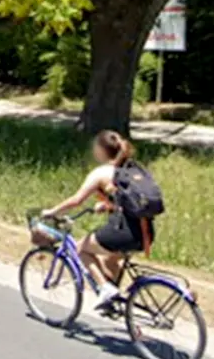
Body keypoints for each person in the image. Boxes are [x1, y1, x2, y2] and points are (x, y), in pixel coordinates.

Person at [42, 130, 152, 312]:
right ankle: (111, 303)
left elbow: (76, 200)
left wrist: (52, 211)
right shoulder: (131, 169)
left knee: (80, 249)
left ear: (101, 151)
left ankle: (105, 290)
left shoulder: (102, 172)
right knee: (110, 260)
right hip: (144, 231)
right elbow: (129, 202)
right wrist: (108, 205)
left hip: (122, 232)